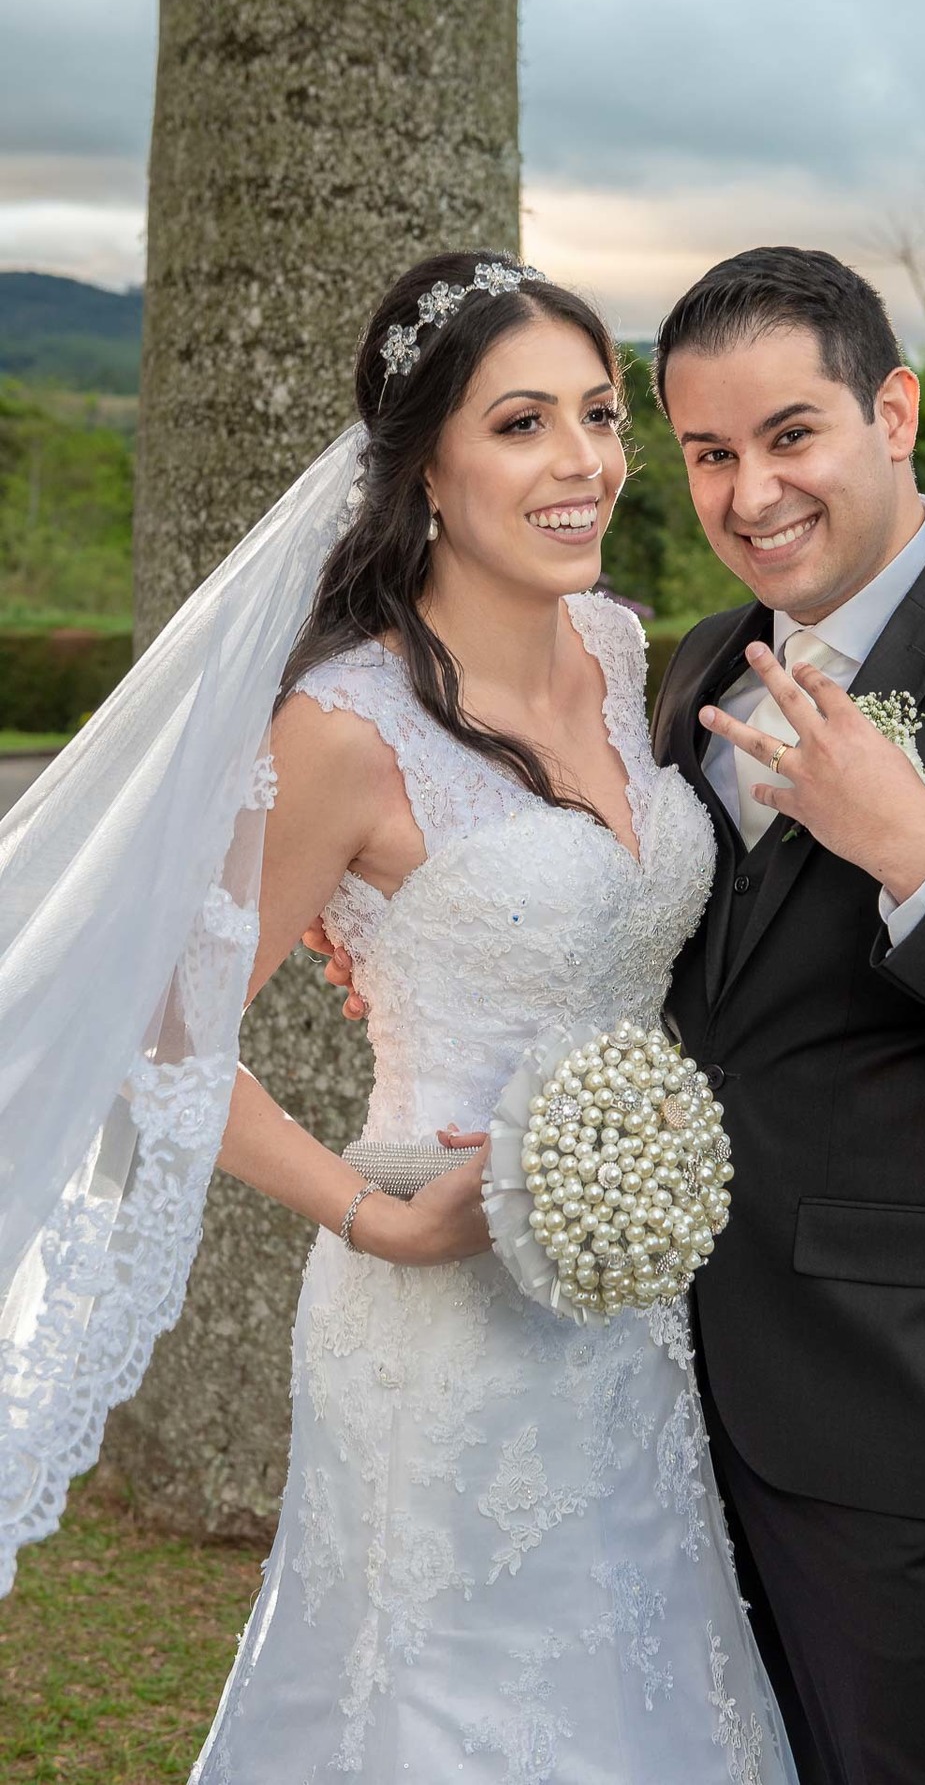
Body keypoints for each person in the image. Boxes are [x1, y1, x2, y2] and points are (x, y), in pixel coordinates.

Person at [311, 243, 925, 1783]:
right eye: (710, 453)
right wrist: (416, 934)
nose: (750, 494)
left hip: (904, 1422)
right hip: (644, 1392)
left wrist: (919, 857)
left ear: (895, 411)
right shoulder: (701, 659)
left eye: (793, 436)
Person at [0, 252, 804, 1782]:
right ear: (425, 461)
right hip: (440, 1330)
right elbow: (158, 1033)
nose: (583, 463)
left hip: (631, 1314)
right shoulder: (343, 729)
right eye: (521, 424)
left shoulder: (621, 648)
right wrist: (374, 1221)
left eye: (597, 413)